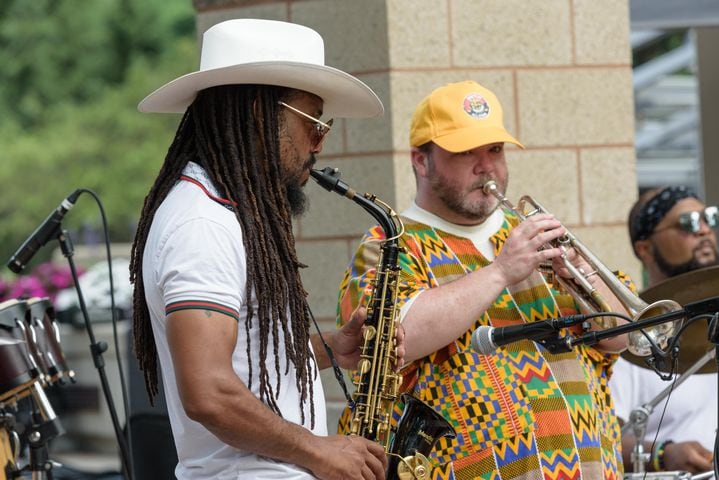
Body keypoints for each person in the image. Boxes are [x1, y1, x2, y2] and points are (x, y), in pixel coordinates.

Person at [128, 18, 400, 480]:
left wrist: (330, 348)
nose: (320, 142)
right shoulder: (202, 223)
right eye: (313, 123)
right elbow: (209, 392)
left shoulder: (224, 211)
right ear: (258, 114)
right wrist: (319, 450)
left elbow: (244, 365)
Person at [336, 80, 632, 479]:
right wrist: (500, 271)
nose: (486, 166)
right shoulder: (388, 245)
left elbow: (620, 338)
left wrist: (583, 278)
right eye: (464, 152)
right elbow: (391, 340)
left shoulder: (532, 236)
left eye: (494, 150)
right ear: (421, 162)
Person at [609, 186, 717, 474]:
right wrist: (662, 453)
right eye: (687, 223)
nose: (704, 231)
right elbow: (603, 437)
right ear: (645, 248)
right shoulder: (631, 334)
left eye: (709, 219)